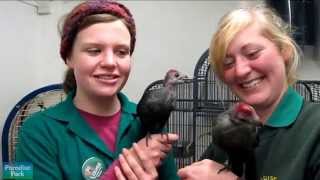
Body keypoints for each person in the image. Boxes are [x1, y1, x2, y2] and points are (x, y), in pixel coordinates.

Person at [15, 0, 180, 179]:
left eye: (121, 52)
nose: (110, 62)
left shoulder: (150, 119)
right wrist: (119, 173)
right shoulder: (33, 130)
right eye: (94, 50)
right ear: (69, 57)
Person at [178, 5, 320, 180]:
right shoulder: (226, 130)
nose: (240, 71)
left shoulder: (314, 128)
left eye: (252, 54)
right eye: (228, 63)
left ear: (285, 51)